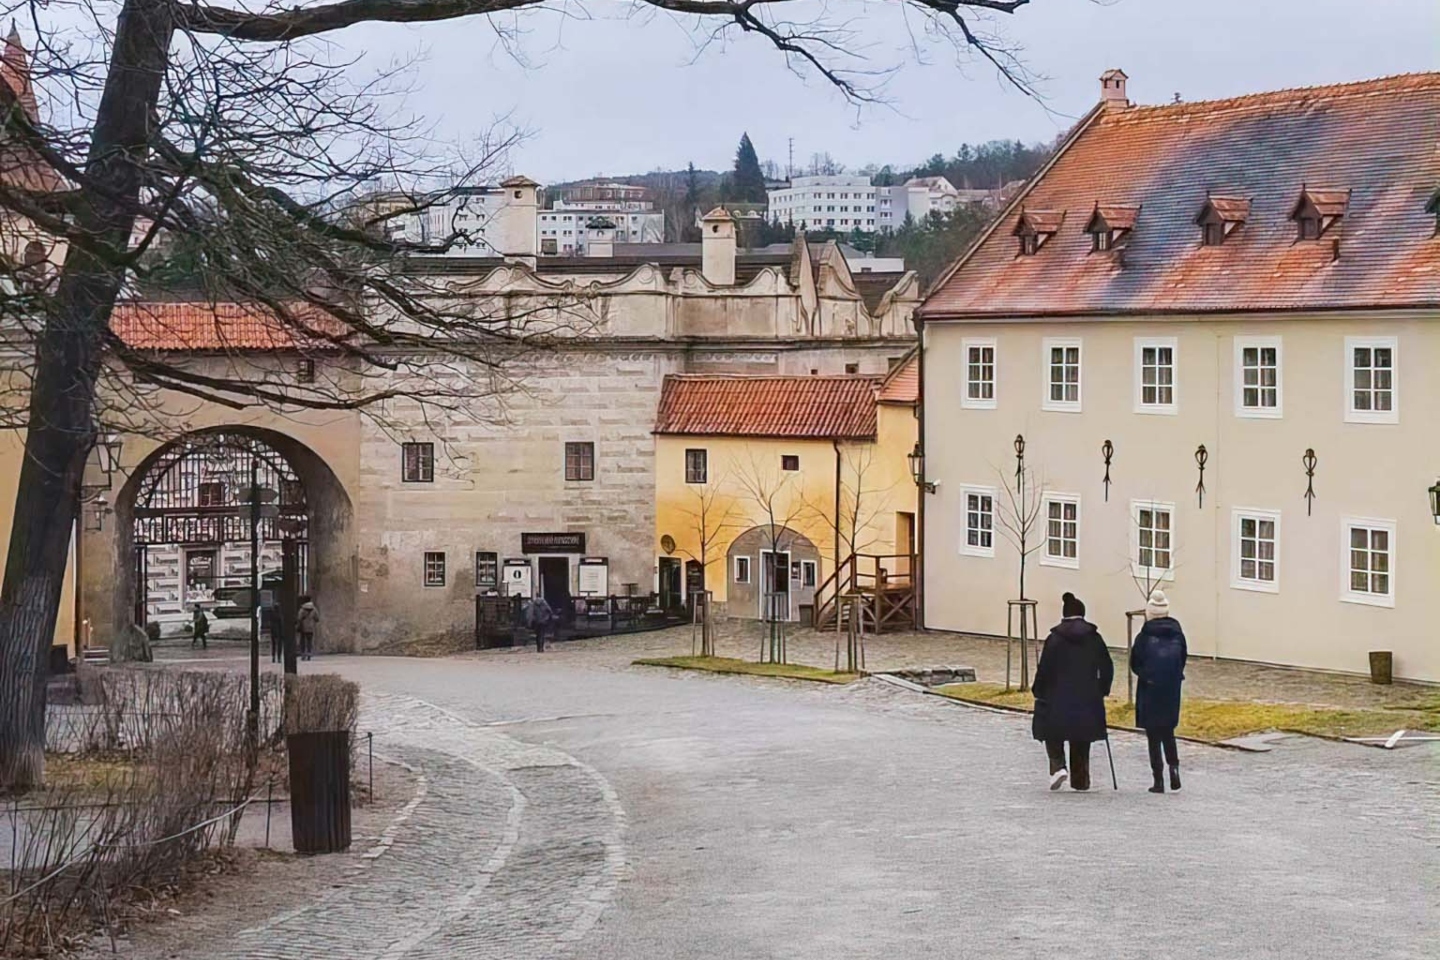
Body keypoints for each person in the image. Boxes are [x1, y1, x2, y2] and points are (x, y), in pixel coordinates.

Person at [1032, 592, 1114, 791]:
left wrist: (1038, 690)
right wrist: (1102, 689)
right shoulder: (1094, 638)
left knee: (1052, 730)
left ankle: (1058, 766)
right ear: (1083, 615)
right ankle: (1080, 779)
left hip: (1056, 695)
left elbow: (1044, 669)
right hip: (1087, 695)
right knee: (1081, 735)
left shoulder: (1054, 639)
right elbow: (1107, 666)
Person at [1131, 589, 1187, 794]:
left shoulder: (1144, 636)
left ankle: (1158, 780)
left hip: (1150, 689)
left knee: (1153, 735)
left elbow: (1135, 663)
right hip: (1171, 688)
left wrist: (1147, 675)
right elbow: (1182, 659)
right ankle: (1174, 769)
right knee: (1168, 732)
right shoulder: (1178, 634)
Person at [296, 595, 319, 661]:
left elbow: (299, 618)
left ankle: (303, 655)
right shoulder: (314, 609)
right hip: (311, 628)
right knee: (309, 642)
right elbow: (317, 618)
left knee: (303, 642)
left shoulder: (302, 610)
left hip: (303, 628)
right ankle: (309, 654)